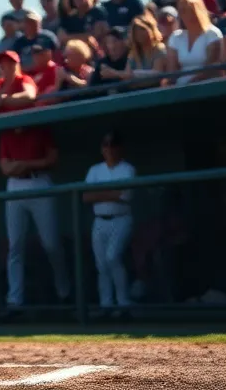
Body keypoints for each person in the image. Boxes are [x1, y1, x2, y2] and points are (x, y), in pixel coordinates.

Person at [0, 123, 71, 313]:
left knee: (51, 244)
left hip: (40, 181)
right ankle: (15, 300)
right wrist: (17, 166)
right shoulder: (6, 132)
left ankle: (64, 292)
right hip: (15, 185)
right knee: (15, 245)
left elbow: (53, 159)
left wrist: (25, 164)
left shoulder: (40, 127)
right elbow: (5, 167)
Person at [83, 131, 136, 317]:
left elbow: (126, 196)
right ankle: (106, 305)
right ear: (102, 149)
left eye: (113, 145)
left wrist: (101, 193)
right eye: (106, 146)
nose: (109, 149)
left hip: (121, 219)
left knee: (113, 257)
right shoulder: (95, 170)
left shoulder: (127, 169)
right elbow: (86, 196)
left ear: (120, 148)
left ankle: (123, 304)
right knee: (101, 264)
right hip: (100, 221)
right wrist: (112, 193)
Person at [165, 0, 223, 85]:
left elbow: (210, 67)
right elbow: (172, 71)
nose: (181, 14)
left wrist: (191, 83)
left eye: (186, 10)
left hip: (208, 85)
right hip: (181, 89)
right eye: (180, 10)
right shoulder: (175, 37)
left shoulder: (212, 33)